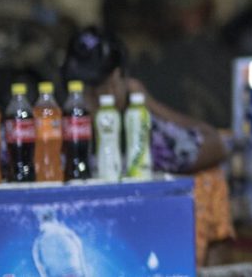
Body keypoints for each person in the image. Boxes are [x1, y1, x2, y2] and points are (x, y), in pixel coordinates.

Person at [61, 26, 231, 264]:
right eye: (83, 87)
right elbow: (216, 145)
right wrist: (145, 100)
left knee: (208, 177)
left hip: (128, 244)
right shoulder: (62, 129)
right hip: (98, 244)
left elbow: (215, 146)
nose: (90, 97)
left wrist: (147, 103)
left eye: (95, 87)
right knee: (209, 177)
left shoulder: (136, 123)